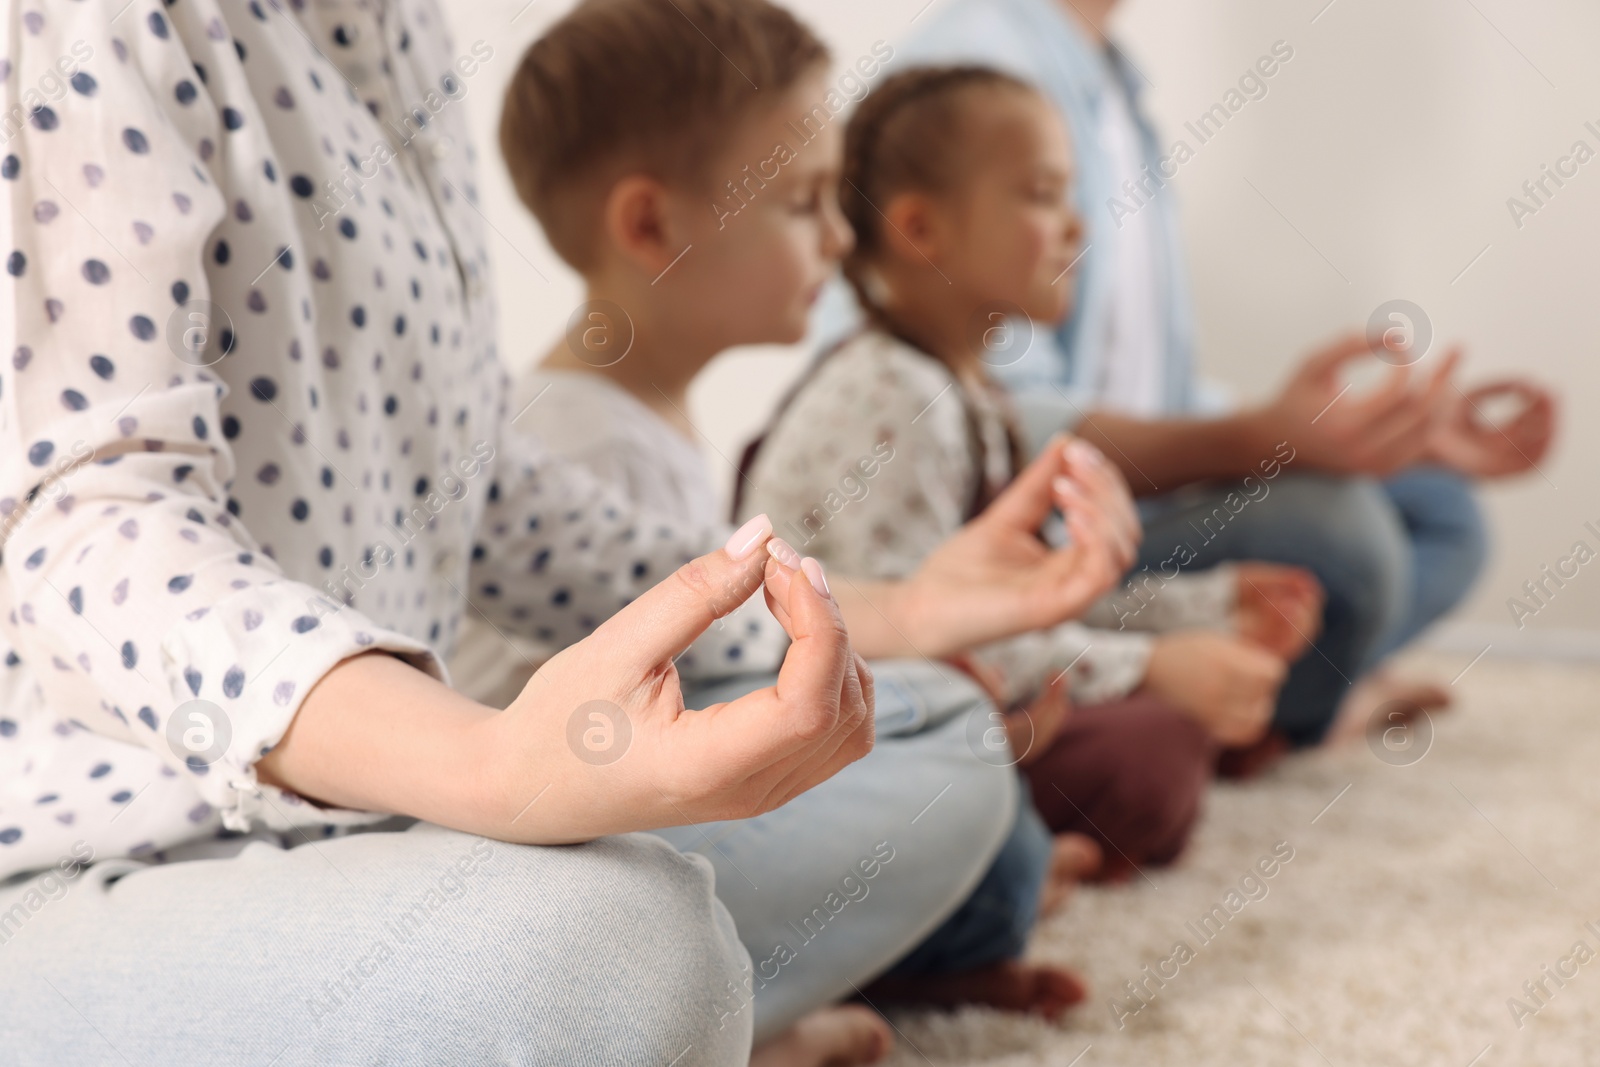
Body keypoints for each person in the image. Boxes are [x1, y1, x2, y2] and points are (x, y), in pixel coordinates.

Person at [0, 1, 1135, 1063]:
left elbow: (476, 475)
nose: (835, 238)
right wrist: (487, 765)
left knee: (935, 724)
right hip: (113, 851)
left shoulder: (401, 28)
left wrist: (904, 610)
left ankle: (667, 1018)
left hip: (394, 819)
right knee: (625, 948)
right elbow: (86, 531)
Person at [496, 2, 1138, 1031]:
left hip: (629, 827)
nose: (841, 238)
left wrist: (935, 620)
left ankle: (898, 938)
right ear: (650, 226)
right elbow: (611, 749)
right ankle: (730, 1014)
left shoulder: (642, 415)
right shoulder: (582, 442)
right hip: (555, 857)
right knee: (967, 777)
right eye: (803, 203)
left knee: (947, 736)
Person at [859, 0, 1559, 747]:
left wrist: (1375, 435)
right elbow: (1007, 431)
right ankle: (1239, 708)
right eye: (1043, 197)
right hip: (1044, 539)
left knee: (1442, 512)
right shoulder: (982, 78)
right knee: (1338, 531)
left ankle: (1247, 698)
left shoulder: (1114, 82)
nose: (1075, 226)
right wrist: (1261, 439)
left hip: (1139, 508)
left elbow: (1156, 397)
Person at [734, 65, 1319, 910]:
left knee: (1169, 730)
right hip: (867, 718)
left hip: (973, 686)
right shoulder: (892, 397)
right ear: (921, 228)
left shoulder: (974, 396)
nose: (1077, 225)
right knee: (1149, 753)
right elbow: (916, 635)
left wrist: (1205, 607)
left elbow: (1026, 601)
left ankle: (1002, 866)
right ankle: (979, 889)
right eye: (1043, 195)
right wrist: (1153, 666)